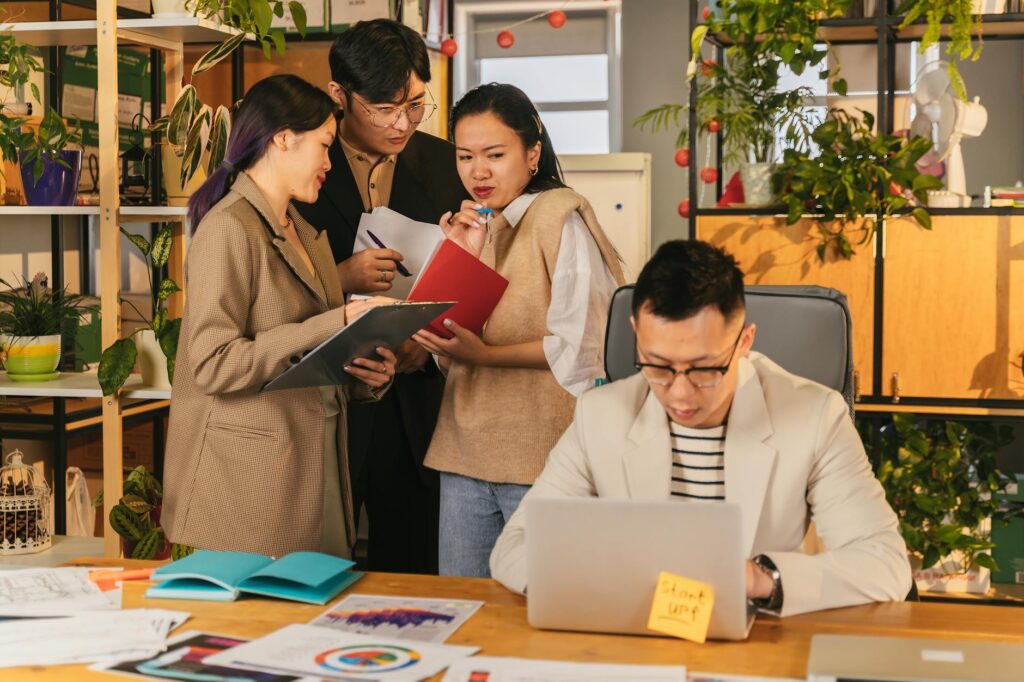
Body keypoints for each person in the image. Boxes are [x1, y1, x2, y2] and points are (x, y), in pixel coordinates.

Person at [489, 240, 913, 616]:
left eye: (704, 369)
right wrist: (606, 581)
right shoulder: (600, 414)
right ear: (635, 333)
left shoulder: (815, 416)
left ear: (744, 342)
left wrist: (755, 580)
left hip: (753, 646)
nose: (679, 394)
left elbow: (885, 562)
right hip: (632, 640)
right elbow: (515, 546)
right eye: (656, 365)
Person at [162, 75, 397, 558]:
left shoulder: (307, 233)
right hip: (251, 482)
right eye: (325, 146)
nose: (330, 163)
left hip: (320, 465)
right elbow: (212, 364)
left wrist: (365, 374)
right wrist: (335, 323)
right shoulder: (228, 228)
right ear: (284, 138)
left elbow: (314, 358)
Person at [412, 83, 626, 577]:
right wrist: (459, 253)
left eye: (495, 154)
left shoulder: (560, 217)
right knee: (463, 610)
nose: (477, 171)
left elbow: (586, 346)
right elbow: (443, 349)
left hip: (544, 453)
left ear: (532, 153)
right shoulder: (474, 224)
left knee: (546, 606)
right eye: (465, 156)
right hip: (465, 452)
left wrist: (484, 355)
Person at [295, 19, 468, 574]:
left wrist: (430, 344)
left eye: (415, 104)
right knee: (317, 562)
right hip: (325, 396)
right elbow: (271, 282)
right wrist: (338, 277)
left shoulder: (445, 163)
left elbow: (474, 269)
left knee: (414, 560)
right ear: (339, 96)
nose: (402, 123)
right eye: (384, 109)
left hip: (415, 398)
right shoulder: (302, 163)